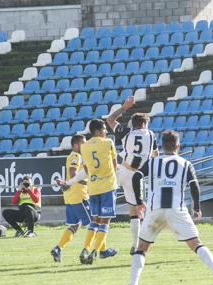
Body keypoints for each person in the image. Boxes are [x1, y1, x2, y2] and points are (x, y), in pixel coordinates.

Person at [123, 130, 213, 285]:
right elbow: (194, 185)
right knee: (196, 244)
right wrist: (197, 207)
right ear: (178, 145)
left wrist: (139, 202)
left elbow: (136, 177)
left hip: (155, 209)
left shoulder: (153, 162)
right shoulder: (185, 163)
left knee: (141, 248)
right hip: (177, 210)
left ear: (162, 145)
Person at [106, 96, 158, 254]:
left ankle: (97, 239)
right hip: (135, 176)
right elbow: (155, 155)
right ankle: (135, 246)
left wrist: (124, 107)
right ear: (144, 124)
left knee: (105, 203)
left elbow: (110, 119)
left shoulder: (126, 133)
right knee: (135, 211)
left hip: (121, 170)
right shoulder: (151, 135)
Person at [62, 119, 118, 264]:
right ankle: (95, 251)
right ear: (99, 131)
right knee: (105, 221)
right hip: (107, 187)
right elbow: (115, 165)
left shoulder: (84, 147)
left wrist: (69, 183)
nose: (106, 131)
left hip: (92, 189)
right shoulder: (108, 143)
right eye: (105, 129)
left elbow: (86, 171)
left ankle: (86, 248)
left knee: (95, 220)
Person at [51, 135, 92, 263]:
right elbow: (74, 173)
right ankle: (87, 251)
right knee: (94, 224)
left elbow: (71, 176)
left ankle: (58, 248)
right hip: (79, 196)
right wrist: (89, 183)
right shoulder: (76, 156)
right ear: (76, 145)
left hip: (70, 197)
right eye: (83, 144)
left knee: (75, 225)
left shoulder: (72, 156)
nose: (85, 146)